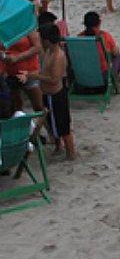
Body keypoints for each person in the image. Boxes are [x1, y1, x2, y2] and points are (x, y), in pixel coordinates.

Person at [33, 22, 73, 159]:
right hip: (48, 94)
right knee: (52, 122)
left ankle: (70, 152)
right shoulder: (49, 51)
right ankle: (58, 146)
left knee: (63, 126)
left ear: (47, 40)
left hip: (56, 94)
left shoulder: (58, 56)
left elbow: (53, 79)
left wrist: (33, 75)